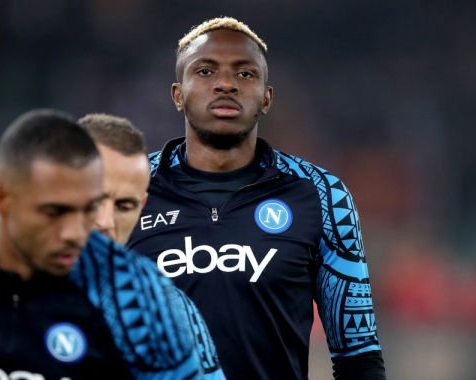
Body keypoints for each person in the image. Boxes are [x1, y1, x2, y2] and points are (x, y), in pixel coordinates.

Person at [127, 17, 387, 379]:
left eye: (245, 74)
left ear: (266, 97)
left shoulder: (322, 196)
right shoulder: (124, 191)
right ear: (177, 94)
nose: (226, 84)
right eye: (205, 71)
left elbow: (358, 357)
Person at [0, 109, 208, 379]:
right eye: (57, 210)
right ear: (2, 199)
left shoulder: (150, 302)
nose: (96, 224)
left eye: (122, 205)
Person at [78, 113, 224, 379]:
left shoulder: (166, 311)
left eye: (124, 206)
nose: (106, 222)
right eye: (95, 200)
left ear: (141, 207)